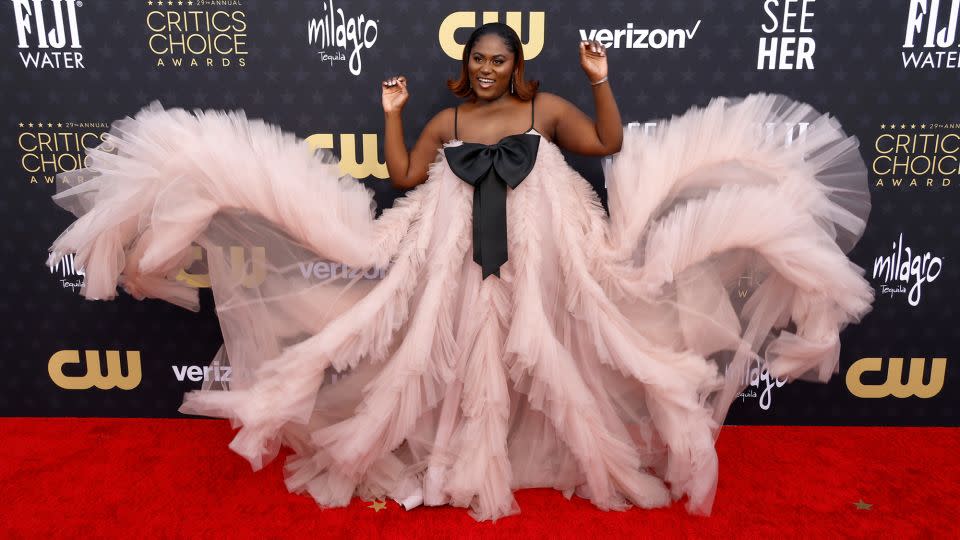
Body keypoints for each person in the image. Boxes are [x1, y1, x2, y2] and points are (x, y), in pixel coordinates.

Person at [46, 22, 873, 521]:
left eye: (498, 59)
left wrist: (600, 81)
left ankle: (549, 453)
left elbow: (604, 144)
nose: (486, 67)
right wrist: (394, 115)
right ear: (465, 66)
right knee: (444, 349)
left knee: (548, 344)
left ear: (515, 67)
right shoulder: (446, 116)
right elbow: (405, 176)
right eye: (476, 58)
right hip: (449, 251)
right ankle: (455, 459)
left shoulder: (544, 110)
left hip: (548, 250)